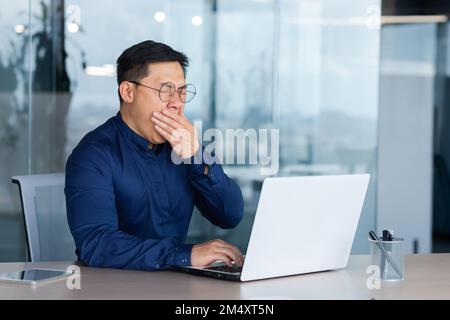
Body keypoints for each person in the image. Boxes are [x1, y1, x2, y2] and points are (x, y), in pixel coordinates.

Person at [65, 40, 244, 271]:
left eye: (181, 92)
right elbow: (97, 244)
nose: (177, 104)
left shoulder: (183, 147)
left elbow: (229, 215)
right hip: (112, 287)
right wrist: (185, 255)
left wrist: (197, 157)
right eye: (166, 90)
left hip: (175, 283)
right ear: (128, 92)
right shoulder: (93, 155)